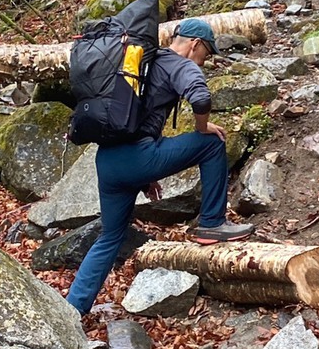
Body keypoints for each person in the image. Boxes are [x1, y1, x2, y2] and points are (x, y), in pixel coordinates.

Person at [66, 17, 254, 315]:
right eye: (206, 54)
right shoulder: (181, 64)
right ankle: (212, 224)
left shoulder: (143, 63)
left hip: (108, 163)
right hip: (138, 160)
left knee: (110, 237)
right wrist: (202, 126)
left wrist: (145, 176)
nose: (204, 62)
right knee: (213, 143)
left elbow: (130, 120)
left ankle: (73, 309)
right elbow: (201, 97)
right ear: (195, 44)